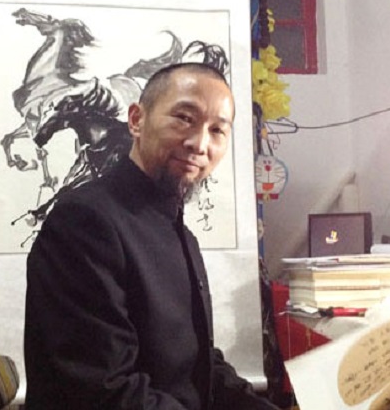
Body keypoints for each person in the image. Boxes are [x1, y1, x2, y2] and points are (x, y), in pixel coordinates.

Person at [24, 62, 281, 410]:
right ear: (136, 120)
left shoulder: (180, 233)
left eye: (217, 130)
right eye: (184, 118)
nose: (199, 143)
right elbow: (103, 390)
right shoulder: (84, 221)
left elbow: (196, 365)